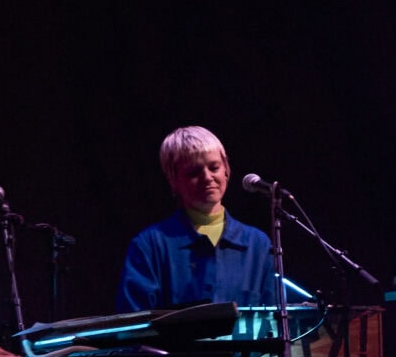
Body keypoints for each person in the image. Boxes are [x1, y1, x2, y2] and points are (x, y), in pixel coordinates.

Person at [118, 126, 279, 315]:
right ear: (173, 180)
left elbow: (274, 321)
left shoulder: (258, 244)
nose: (207, 177)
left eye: (214, 167)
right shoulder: (149, 246)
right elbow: (135, 322)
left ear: (226, 169)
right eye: (194, 172)